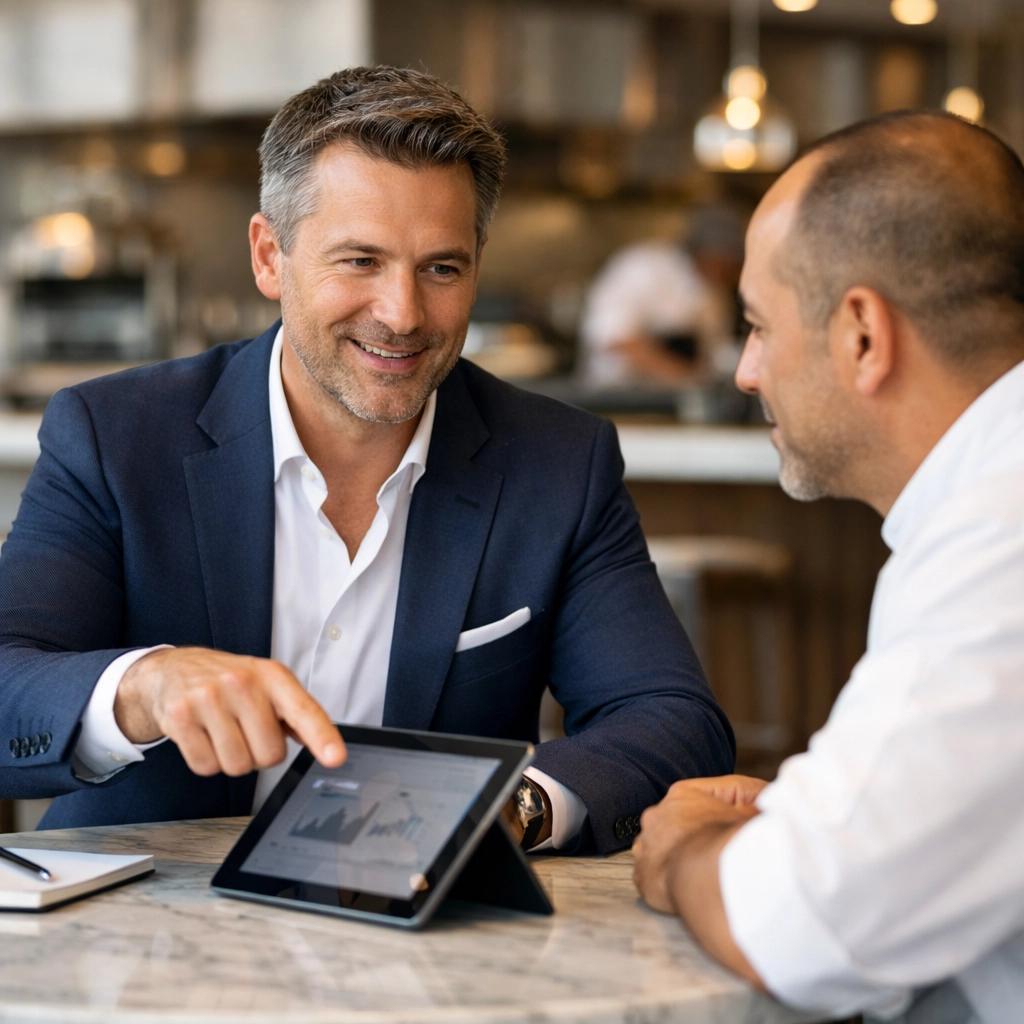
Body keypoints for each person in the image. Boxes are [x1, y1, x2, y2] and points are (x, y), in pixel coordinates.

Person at [0, 66, 733, 853]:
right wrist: (141, 689)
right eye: (359, 261)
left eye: (441, 268)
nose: (403, 314)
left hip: (422, 945)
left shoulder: (558, 463)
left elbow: (670, 718)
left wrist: (510, 809)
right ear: (269, 256)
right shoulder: (115, 435)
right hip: (145, 932)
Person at [632, 110, 1024, 1023]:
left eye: (760, 326)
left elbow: (804, 925)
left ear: (861, 335)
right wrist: (820, 822)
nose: (747, 372)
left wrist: (687, 846)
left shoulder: (998, 543)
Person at [578, 205, 746, 387]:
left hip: (676, 399)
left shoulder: (714, 291)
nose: (727, 269)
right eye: (721, 258)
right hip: (616, 393)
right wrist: (685, 378)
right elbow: (617, 338)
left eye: (732, 261)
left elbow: (714, 351)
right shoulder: (643, 267)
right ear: (699, 250)